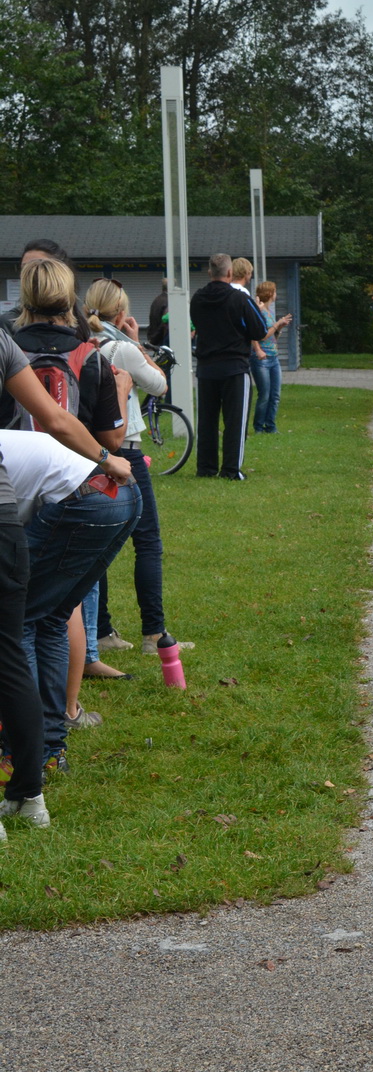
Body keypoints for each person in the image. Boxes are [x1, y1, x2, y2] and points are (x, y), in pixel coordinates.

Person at [8, 259, 140, 782]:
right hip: (96, 486)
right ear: (71, 297)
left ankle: (28, 746)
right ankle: (62, 721)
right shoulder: (92, 355)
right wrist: (122, 402)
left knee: (22, 618)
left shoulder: (7, 347)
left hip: (41, 490)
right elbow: (108, 436)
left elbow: (45, 422)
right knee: (59, 613)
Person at [84, 279, 182, 674]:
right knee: (148, 542)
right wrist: (138, 342)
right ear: (121, 313)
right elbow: (159, 382)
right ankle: (153, 633)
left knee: (100, 547)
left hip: (90, 451)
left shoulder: (86, 343)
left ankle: (103, 630)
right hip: (124, 450)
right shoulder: (122, 348)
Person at [189, 254, 266, 479]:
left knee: (207, 421)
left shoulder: (198, 298)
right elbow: (259, 330)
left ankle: (206, 468)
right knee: (235, 422)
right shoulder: (239, 299)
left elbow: (197, 321)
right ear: (230, 273)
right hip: (234, 366)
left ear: (210, 273)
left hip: (206, 367)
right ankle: (231, 470)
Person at [250, 282, 291, 434]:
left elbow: (272, 337)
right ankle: (259, 427)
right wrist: (276, 325)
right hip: (261, 359)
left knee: (275, 395)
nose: (276, 294)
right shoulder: (259, 312)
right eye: (275, 291)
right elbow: (257, 335)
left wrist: (279, 327)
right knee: (265, 394)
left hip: (273, 357)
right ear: (270, 293)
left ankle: (271, 426)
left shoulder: (268, 311)